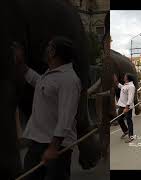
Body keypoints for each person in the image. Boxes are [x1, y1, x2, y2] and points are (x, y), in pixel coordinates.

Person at [14, 37, 81, 180]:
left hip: (57, 146)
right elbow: (39, 83)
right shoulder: (51, 74)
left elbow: (66, 119)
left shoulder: (69, 80)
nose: (45, 49)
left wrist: (53, 148)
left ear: (53, 52)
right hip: (38, 142)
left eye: (49, 46)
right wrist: (21, 64)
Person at [114, 73, 136, 143]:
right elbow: (121, 87)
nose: (124, 77)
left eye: (125, 76)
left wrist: (127, 107)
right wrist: (116, 81)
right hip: (121, 106)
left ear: (127, 78)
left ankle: (131, 136)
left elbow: (130, 98)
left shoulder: (131, 86)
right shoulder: (126, 85)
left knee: (129, 121)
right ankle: (126, 131)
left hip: (127, 107)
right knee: (119, 119)